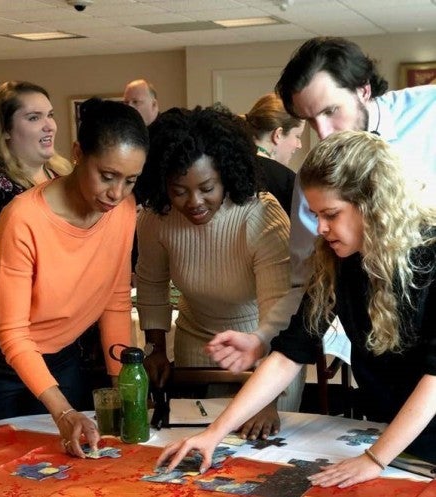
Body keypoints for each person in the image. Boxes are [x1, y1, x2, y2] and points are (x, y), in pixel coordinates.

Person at [157, 130, 436, 488]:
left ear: (373, 204)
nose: (320, 228)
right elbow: (290, 353)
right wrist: (215, 433)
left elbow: (434, 379)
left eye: (331, 214)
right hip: (389, 433)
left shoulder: (430, 256)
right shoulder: (341, 259)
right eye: (316, 214)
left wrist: (373, 458)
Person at [208, 36, 436, 376]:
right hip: (380, 350)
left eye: (331, 111)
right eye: (310, 121)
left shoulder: (429, 112)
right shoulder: (313, 184)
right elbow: (310, 283)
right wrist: (263, 338)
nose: (324, 133)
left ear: (363, 90)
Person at [0, 98, 148, 459]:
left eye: (130, 180)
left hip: (61, 354)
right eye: (107, 176)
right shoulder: (23, 218)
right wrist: (62, 411)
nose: (117, 193)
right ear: (78, 153)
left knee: (77, 462)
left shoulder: (123, 210)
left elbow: (116, 299)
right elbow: (13, 334)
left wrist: (122, 382)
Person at [134, 105, 305, 440]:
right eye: (179, 190)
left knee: (259, 446)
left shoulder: (261, 216)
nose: (194, 202)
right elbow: (151, 283)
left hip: (265, 346)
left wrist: (266, 396)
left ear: (227, 175)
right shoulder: (156, 218)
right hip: (196, 338)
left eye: (207, 187)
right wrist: (155, 347)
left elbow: (278, 311)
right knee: (199, 439)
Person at [0, 80, 71, 348]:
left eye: (50, 115)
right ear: (6, 129)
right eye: (34, 118)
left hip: (61, 326)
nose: (49, 125)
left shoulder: (62, 174)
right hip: (4, 330)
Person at [245, 93, 304, 216]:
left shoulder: (227, 166)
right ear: (278, 134)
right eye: (297, 136)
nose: (299, 145)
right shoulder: (286, 181)